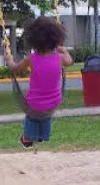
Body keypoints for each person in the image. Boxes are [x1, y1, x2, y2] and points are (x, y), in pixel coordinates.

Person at [5, 17, 73, 148]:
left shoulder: (31, 59)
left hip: (34, 105)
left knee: (32, 117)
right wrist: (64, 50)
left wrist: (9, 60)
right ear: (55, 39)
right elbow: (69, 61)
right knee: (45, 117)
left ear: (33, 41)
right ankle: (43, 136)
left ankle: (27, 138)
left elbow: (15, 68)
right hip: (54, 102)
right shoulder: (60, 58)